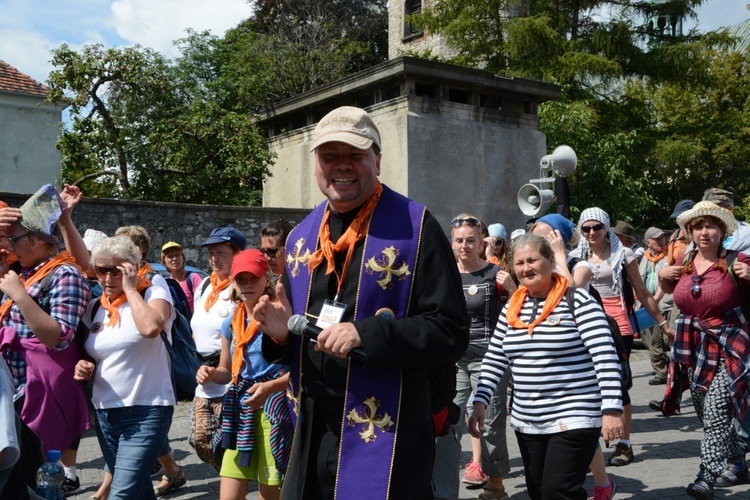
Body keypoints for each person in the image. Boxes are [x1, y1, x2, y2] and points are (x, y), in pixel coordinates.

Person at [253, 106, 469, 499]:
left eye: (354, 154)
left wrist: (366, 334)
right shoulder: (301, 236)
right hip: (315, 425)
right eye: (330, 156)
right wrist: (283, 334)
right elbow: (294, 340)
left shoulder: (417, 228)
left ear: (378, 160)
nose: (342, 166)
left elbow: (450, 331)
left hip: (390, 427)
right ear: (316, 164)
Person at [469, 233, 624, 500]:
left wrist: (611, 409)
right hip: (528, 421)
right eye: (519, 263)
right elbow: (495, 357)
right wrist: (480, 401)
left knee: (558, 492)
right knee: (539, 492)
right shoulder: (512, 309)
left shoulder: (578, 301)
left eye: (532, 260)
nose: (525, 268)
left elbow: (605, 357)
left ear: (550, 260)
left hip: (575, 416)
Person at [0, 184, 92, 497]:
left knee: (27, 478)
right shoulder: (22, 273)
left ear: (39, 240)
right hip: (18, 388)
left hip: (42, 391)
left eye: (15, 239)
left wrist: (21, 297)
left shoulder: (64, 273)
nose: (10, 246)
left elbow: (59, 337)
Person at [658, 201, 750, 499]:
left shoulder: (738, 260)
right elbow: (676, 295)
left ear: (722, 230)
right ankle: (737, 461)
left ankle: (705, 477)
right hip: (693, 345)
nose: (704, 232)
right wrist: (662, 279)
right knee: (705, 410)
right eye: (698, 227)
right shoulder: (684, 261)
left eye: (711, 225)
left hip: (730, 345)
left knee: (714, 410)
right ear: (691, 231)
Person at [74, 236, 176, 499]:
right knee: (138, 489)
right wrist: (82, 365)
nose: (108, 277)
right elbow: (91, 353)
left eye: (116, 270)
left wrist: (130, 289)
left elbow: (151, 328)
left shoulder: (152, 291)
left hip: (147, 409)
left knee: (122, 492)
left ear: (132, 267)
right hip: (106, 413)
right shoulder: (95, 308)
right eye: (101, 270)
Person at [571, 208, 674, 467]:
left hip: (617, 325)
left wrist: (662, 323)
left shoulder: (623, 253)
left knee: (619, 386)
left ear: (606, 227)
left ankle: (624, 444)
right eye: (586, 228)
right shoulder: (574, 256)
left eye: (597, 227)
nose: (592, 232)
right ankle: (590, 445)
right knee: (587, 386)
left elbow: (641, 291)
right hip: (583, 322)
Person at [531, 213, 616, 500]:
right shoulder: (533, 268)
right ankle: (601, 482)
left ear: (559, 237)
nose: (537, 240)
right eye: (534, 234)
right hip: (547, 364)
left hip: (579, 360)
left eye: (545, 235)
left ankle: (602, 482)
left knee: (580, 427)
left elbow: (570, 294)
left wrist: (558, 255)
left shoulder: (579, 265)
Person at [196, 249, 292, 500]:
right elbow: (227, 372)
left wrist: (271, 387)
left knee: (270, 494)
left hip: (273, 410)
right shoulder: (229, 322)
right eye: (241, 279)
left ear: (266, 280)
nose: (247, 285)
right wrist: (210, 372)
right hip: (239, 409)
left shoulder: (279, 315)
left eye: (254, 278)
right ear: (233, 281)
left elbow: (300, 372)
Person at [433, 214, 513, 500]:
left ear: (482, 242)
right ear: (451, 243)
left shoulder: (494, 274)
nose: (464, 246)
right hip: (454, 360)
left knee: (490, 422)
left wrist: (513, 288)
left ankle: (496, 483)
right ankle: (443, 488)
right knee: (448, 422)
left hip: (490, 358)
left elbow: (517, 308)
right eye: (459, 241)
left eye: (470, 240)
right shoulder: (444, 274)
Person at [112, 225, 185, 497]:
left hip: (151, 384)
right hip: (117, 393)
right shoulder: (111, 284)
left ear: (138, 251)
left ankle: (171, 472)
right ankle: (174, 472)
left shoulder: (153, 282)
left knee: (132, 465)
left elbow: (153, 326)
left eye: (122, 246)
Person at [189, 226, 246, 471]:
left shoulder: (242, 287)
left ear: (237, 255)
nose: (214, 258)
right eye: (211, 253)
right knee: (200, 440)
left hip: (231, 377)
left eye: (221, 252)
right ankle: (229, 478)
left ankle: (233, 485)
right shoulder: (204, 286)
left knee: (227, 443)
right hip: (204, 374)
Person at [638, 227, 673, 386]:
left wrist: (655, 299)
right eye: (657, 239)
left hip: (667, 303)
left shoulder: (669, 257)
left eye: (662, 238)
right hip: (648, 306)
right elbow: (638, 280)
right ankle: (661, 372)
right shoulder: (642, 258)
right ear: (648, 242)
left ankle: (677, 370)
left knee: (670, 338)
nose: (661, 241)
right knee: (653, 341)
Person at [702, 188, 750, 252]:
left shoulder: (746, 234)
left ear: (730, 210)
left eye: (713, 210)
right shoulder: (701, 233)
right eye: (704, 210)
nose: (708, 214)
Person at [161, 241, 203, 314]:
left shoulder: (193, 278)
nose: (174, 259)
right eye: (170, 256)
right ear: (164, 262)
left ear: (183, 259)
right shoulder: (166, 283)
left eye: (177, 255)